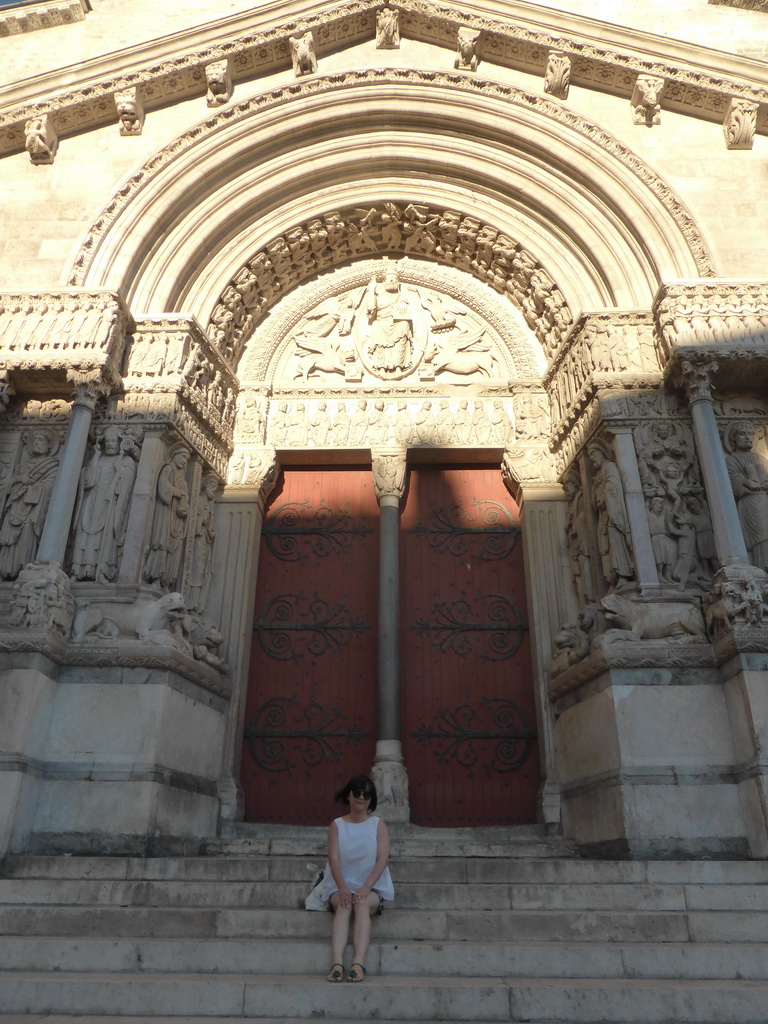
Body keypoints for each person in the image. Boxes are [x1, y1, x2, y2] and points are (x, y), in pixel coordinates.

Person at [321, 775, 394, 983]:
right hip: (340, 885)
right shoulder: (337, 825)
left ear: (371, 800)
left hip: (371, 888)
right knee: (344, 905)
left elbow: (382, 859)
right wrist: (343, 887)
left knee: (361, 904)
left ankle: (358, 963)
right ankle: (336, 962)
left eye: (366, 794)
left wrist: (366, 887)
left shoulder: (378, 825)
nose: (361, 797)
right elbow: (333, 859)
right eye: (357, 792)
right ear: (349, 796)